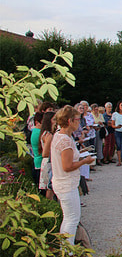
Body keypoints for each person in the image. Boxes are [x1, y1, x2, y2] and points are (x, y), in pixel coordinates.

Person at [50, 105, 95, 245]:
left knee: (69, 217)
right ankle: (67, 251)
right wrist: (84, 161)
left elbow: (68, 159)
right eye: (77, 119)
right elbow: (67, 166)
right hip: (66, 183)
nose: (79, 122)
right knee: (72, 218)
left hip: (63, 182)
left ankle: (66, 249)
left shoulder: (61, 136)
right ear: (69, 121)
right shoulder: (64, 140)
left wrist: (80, 156)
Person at [39, 111, 55, 198]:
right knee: (50, 187)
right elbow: (45, 153)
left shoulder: (45, 133)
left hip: (47, 161)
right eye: (54, 120)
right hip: (49, 161)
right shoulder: (49, 135)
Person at [30, 112, 44, 186]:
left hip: (37, 160)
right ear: (37, 122)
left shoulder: (35, 131)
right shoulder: (39, 133)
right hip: (40, 161)